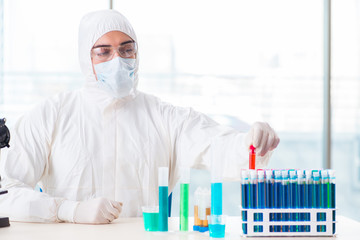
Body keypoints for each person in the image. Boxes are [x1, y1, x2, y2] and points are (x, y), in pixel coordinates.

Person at [0, 10, 279, 224]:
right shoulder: (52, 114)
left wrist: (251, 143)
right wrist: (68, 210)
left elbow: (214, 146)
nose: (118, 60)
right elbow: (6, 192)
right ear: (87, 59)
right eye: (104, 51)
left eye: (126, 49)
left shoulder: (163, 116)